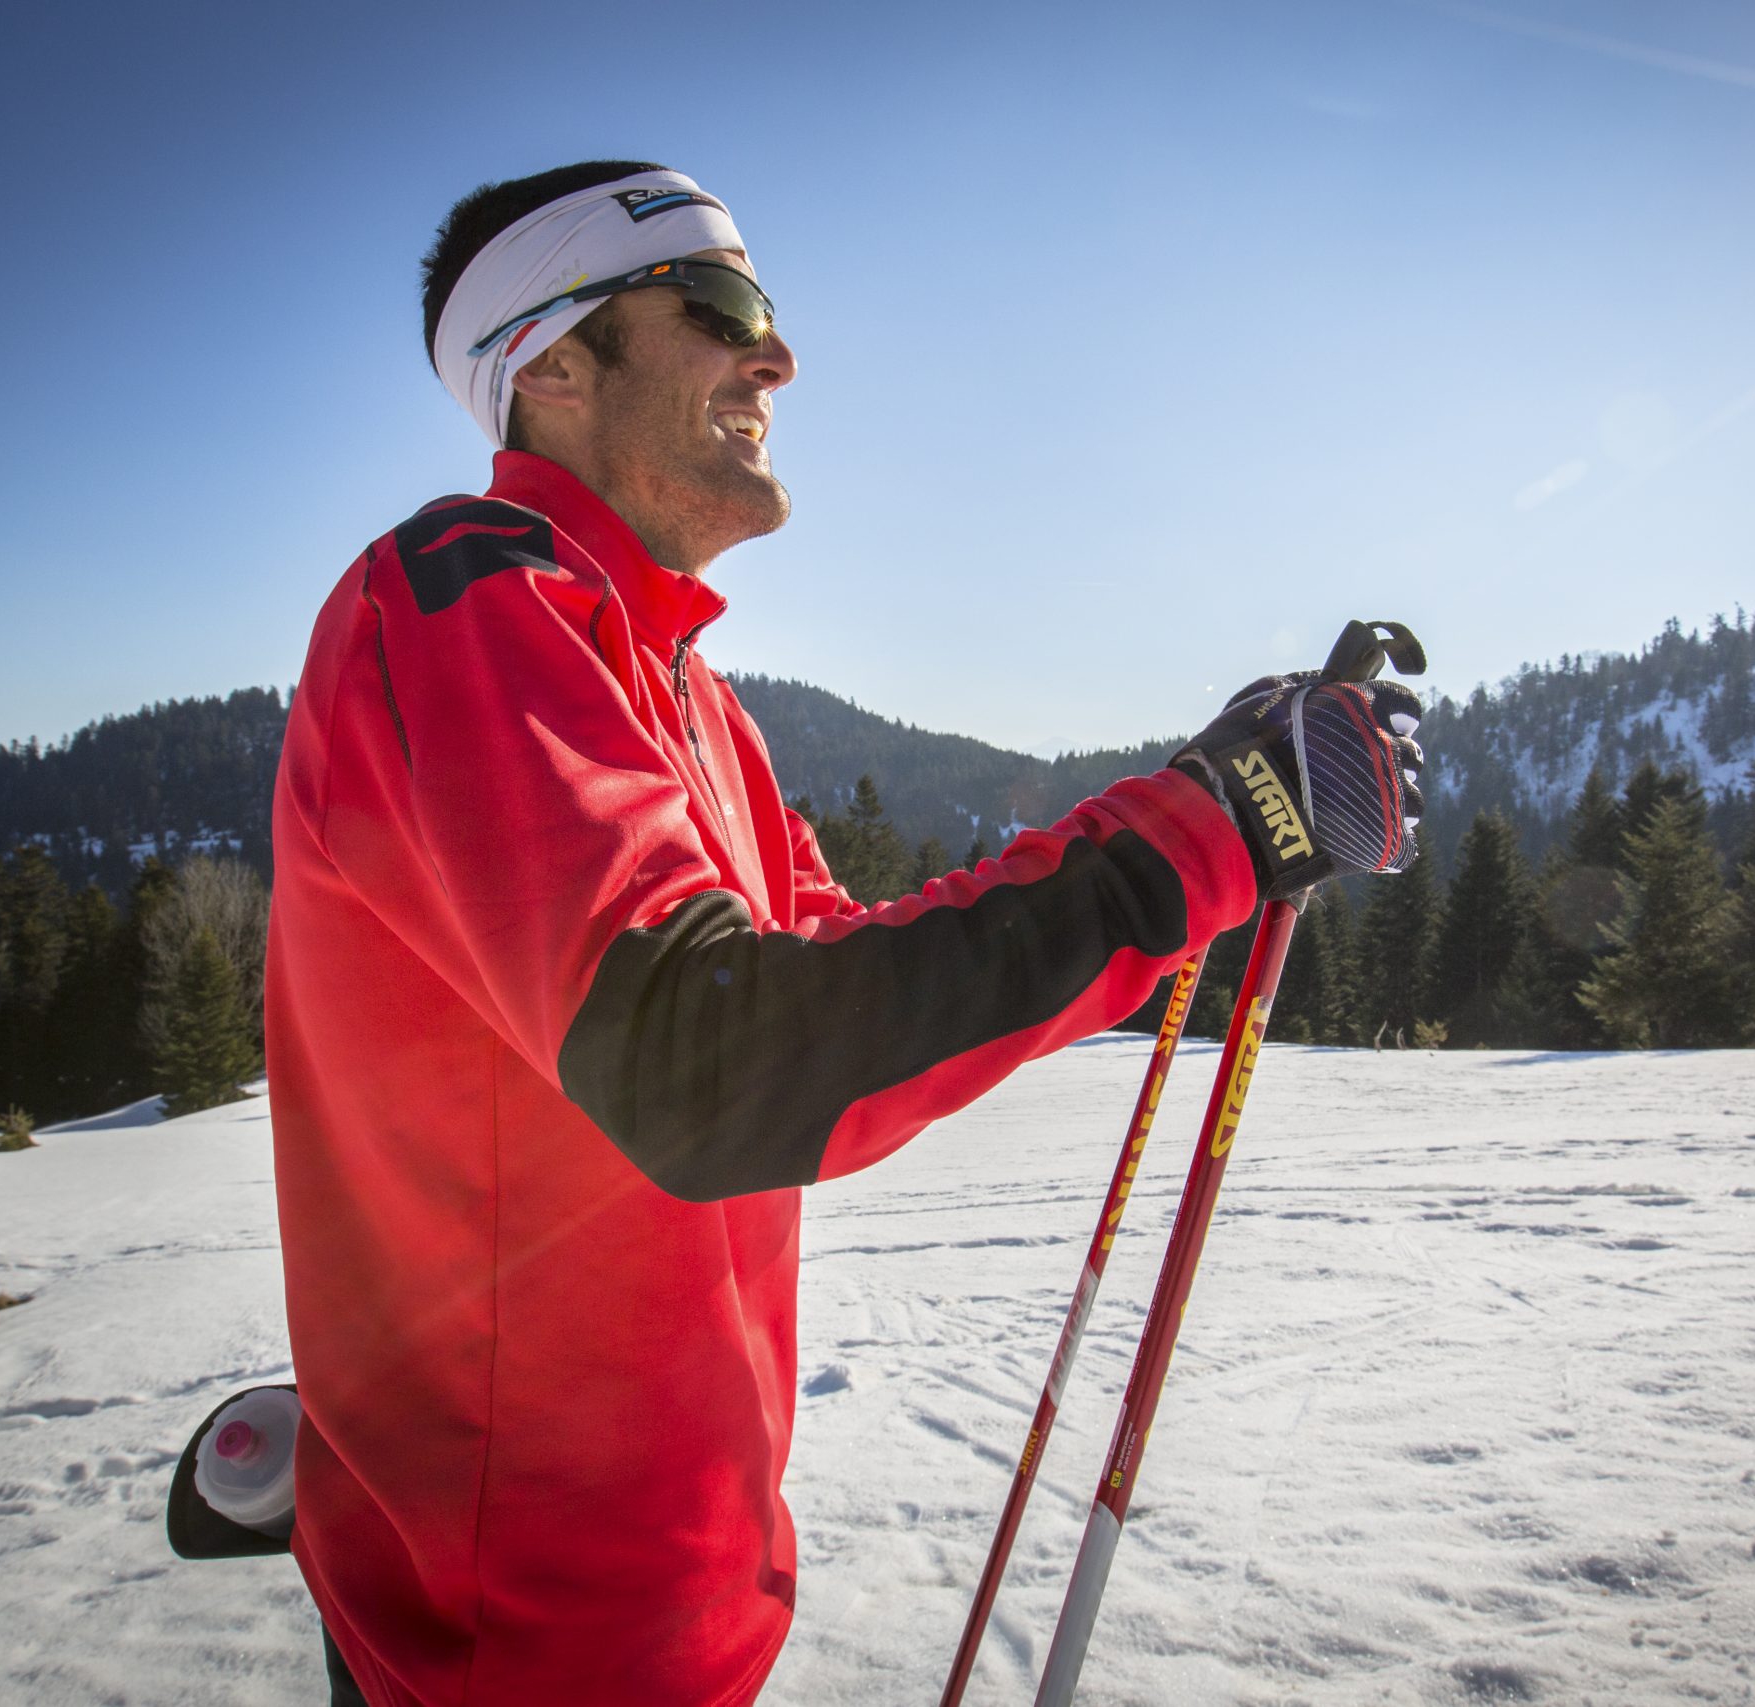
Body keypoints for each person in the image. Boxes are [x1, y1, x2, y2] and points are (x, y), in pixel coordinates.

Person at [266, 160, 1426, 1706]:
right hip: (525, 1654)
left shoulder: (691, 705)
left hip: (682, 1613)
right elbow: (709, 1063)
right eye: (725, 307)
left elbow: (858, 991)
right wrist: (1209, 838)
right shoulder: (463, 601)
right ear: (550, 362)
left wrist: (1198, 804)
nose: (778, 357)